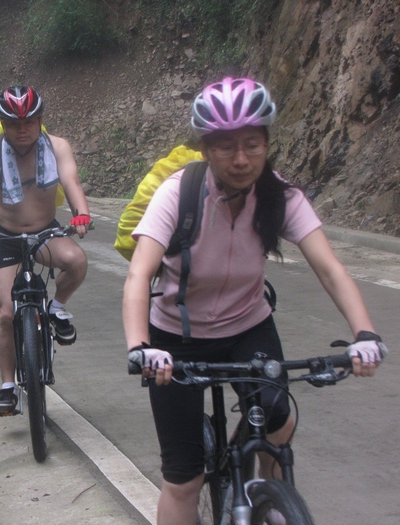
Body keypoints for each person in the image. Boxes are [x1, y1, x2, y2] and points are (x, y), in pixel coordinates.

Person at [122, 77, 388, 525]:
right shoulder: (179, 193)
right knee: (183, 478)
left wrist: (365, 333)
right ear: (206, 150)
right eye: (226, 147)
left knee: (279, 425)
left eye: (252, 144)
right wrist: (141, 347)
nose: (241, 159)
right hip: (175, 340)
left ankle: (272, 501)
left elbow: (329, 268)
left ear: (267, 143)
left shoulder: (279, 196)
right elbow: (139, 273)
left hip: (248, 328)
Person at [0, 85, 92, 415]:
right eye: (14, 124)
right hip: (7, 238)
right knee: (7, 313)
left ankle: (56, 308)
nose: (22, 130)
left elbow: (72, 183)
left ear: (40, 120)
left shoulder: (57, 147)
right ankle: (8, 386)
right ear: (3, 125)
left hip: (45, 233)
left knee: (76, 261)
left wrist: (81, 214)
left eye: (29, 122)